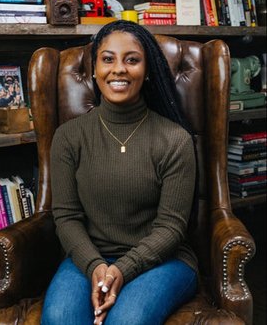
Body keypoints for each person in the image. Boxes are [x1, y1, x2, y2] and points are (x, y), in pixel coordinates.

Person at [41, 20, 199, 325]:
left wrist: (121, 270)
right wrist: (96, 266)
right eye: (108, 59)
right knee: (60, 317)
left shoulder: (174, 139)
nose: (119, 69)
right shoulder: (69, 137)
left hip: (163, 261)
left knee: (126, 322)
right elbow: (66, 217)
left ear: (148, 69)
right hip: (88, 257)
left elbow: (171, 228)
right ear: (95, 69)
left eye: (132, 60)